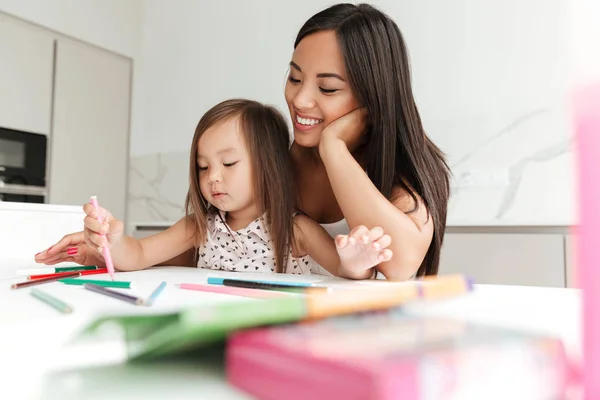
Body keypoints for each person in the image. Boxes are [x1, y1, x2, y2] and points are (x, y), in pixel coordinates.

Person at [36, 3, 450, 281]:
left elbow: (399, 266)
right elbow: (210, 243)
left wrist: (334, 150)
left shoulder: (399, 178)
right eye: (294, 77)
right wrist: (110, 251)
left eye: (327, 89)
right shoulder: (268, 167)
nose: (299, 99)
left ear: (373, 99)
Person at [35, 99, 391, 278]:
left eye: (229, 164)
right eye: (203, 167)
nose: (213, 177)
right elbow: (139, 255)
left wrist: (356, 261)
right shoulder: (199, 227)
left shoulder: (295, 229)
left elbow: (345, 275)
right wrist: (112, 241)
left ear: (268, 166)